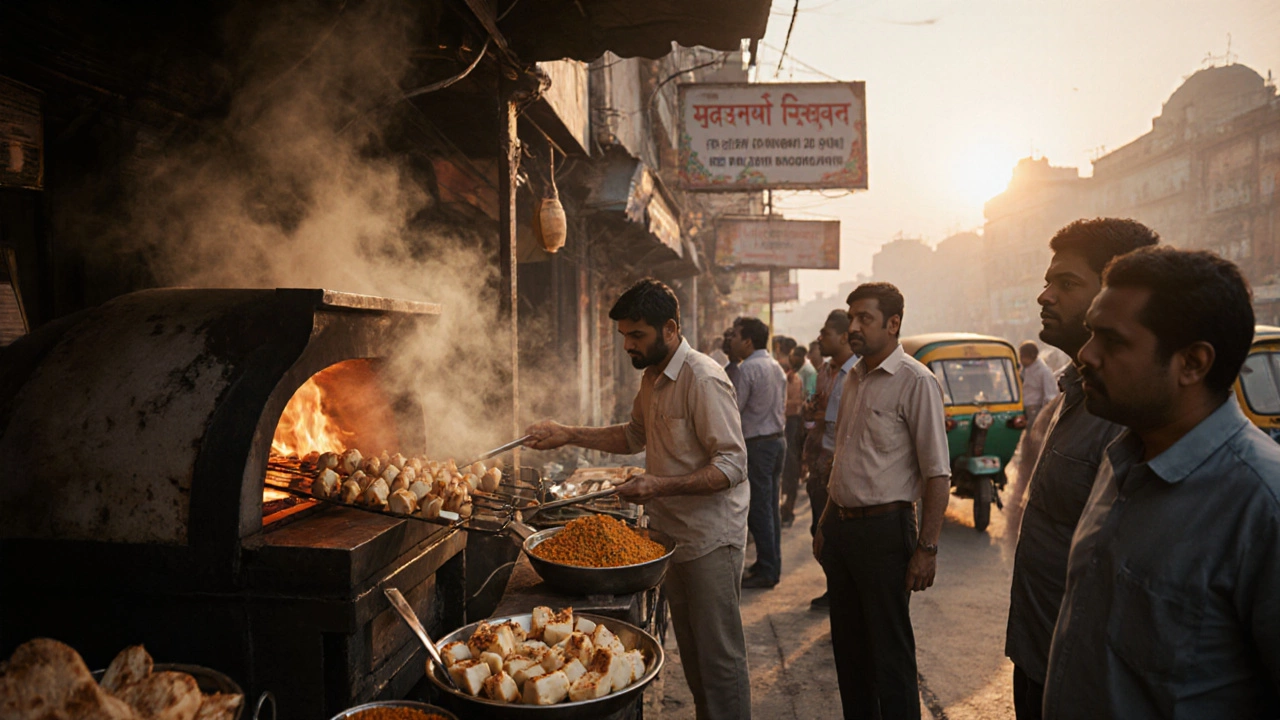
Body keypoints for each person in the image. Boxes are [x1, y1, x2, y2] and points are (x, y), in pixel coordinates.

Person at [1043, 247, 1280, 719]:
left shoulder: (1261, 506)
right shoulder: (1123, 457)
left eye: (1112, 340)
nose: (1087, 354)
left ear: (1192, 363)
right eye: (1091, 332)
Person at [523, 279, 752, 719]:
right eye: (625, 336)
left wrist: (658, 485)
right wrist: (569, 433)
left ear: (669, 329)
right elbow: (633, 435)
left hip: (709, 540)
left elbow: (732, 466)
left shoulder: (702, 378)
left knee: (720, 660)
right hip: (670, 537)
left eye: (637, 336)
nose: (628, 345)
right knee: (696, 658)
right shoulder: (653, 378)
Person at [1004, 218, 1160, 720]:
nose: (1045, 297)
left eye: (1067, 284)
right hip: (1037, 652)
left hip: (1082, 679)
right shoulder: (1072, 390)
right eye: (1048, 282)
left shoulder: (1132, 414)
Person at [813, 283, 950, 720]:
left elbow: (937, 474)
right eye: (851, 318)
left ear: (893, 324)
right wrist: (824, 523)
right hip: (842, 530)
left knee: (889, 655)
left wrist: (926, 549)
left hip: (885, 533)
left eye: (864, 319)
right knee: (849, 651)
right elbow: (845, 458)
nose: (853, 327)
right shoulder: (853, 375)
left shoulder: (915, 381)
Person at [802, 309, 856, 611]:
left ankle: (843, 592)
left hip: (842, 466)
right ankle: (835, 587)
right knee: (818, 531)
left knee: (837, 535)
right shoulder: (825, 371)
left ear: (843, 337)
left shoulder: (858, 372)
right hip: (821, 462)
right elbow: (819, 413)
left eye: (826, 333)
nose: (820, 338)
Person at [727, 316, 787, 589]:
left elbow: (734, 409)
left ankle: (768, 568)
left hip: (759, 445)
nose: (732, 341)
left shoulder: (748, 369)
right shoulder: (775, 366)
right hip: (776, 442)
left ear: (748, 341)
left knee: (761, 509)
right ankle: (769, 562)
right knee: (770, 506)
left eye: (736, 336)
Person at [779, 346, 806, 526]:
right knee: (788, 466)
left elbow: (797, 404)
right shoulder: (789, 378)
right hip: (790, 424)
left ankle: (788, 507)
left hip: (792, 424)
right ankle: (786, 506)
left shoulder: (793, 379)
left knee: (790, 465)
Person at [1018, 341, 1058, 429]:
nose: (1020, 360)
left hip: (1035, 410)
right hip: (1022, 409)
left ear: (1032, 357)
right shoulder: (1024, 369)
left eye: (1023, 357)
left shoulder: (1044, 371)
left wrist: (1044, 415)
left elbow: (1050, 396)